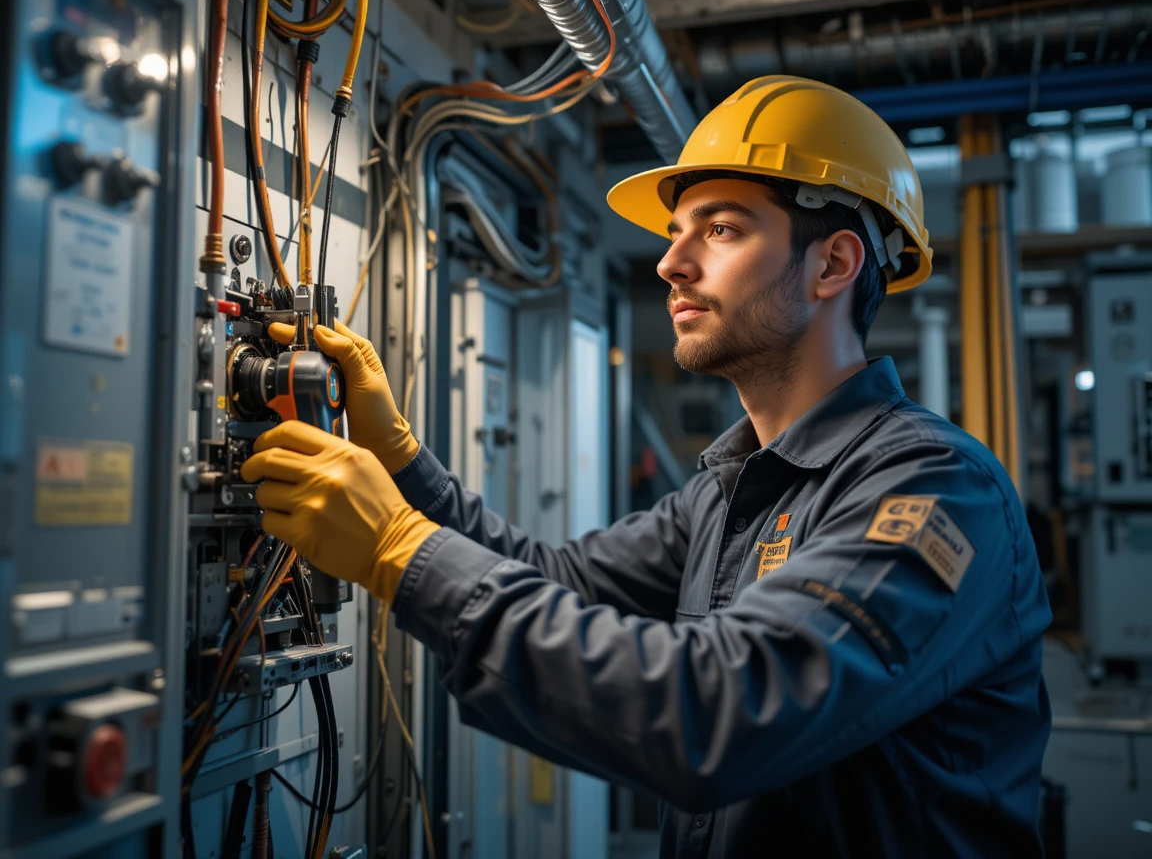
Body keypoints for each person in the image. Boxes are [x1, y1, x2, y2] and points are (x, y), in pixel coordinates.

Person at [242, 75, 1052, 857]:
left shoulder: (937, 489)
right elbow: (553, 578)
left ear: (834, 265)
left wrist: (399, 551)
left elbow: (719, 716)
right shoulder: (728, 493)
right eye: (676, 231)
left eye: (723, 229)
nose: (671, 263)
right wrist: (400, 462)